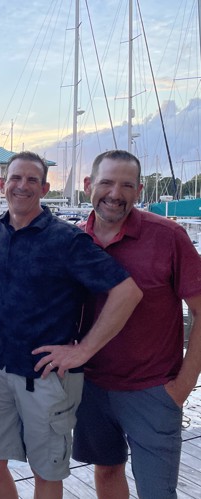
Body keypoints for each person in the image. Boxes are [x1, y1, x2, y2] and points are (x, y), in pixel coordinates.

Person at [0, 151, 143, 499]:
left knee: (46, 471)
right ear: (3, 185)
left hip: (48, 377)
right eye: (16, 179)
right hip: (0, 366)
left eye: (32, 180)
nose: (23, 186)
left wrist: (82, 351)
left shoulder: (67, 240)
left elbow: (127, 292)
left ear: (45, 188)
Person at [70, 150, 201, 499]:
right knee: (107, 471)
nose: (116, 193)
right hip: (93, 388)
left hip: (153, 390)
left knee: (157, 491)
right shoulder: (76, 241)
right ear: (88, 186)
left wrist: (183, 386)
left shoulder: (169, 236)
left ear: (139, 191)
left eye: (126, 185)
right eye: (107, 182)